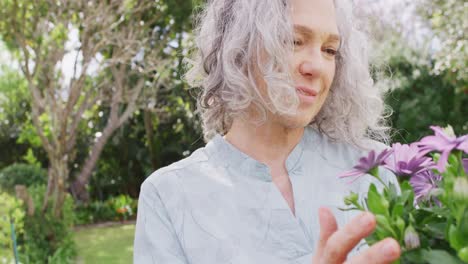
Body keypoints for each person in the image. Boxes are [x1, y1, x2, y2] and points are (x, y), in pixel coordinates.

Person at [134, 0, 402, 263]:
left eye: (330, 50)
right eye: (294, 41)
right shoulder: (168, 196)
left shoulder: (374, 166)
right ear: (239, 48)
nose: (317, 66)